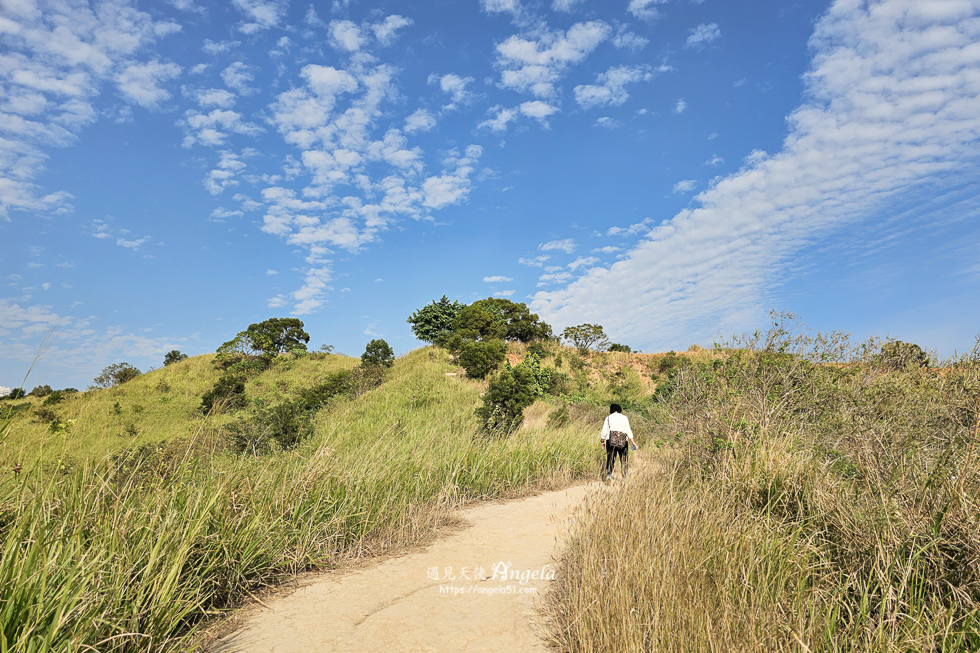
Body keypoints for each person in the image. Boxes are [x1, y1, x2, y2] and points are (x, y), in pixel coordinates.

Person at [600, 403, 637, 482]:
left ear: (611, 409)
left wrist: (602, 441)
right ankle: (624, 478)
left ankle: (609, 476)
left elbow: (604, 431)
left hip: (610, 440)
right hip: (623, 441)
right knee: (624, 459)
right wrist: (633, 442)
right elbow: (628, 430)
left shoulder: (608, 418)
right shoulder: (624, 418)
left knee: (610, 458)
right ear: (619, 409)